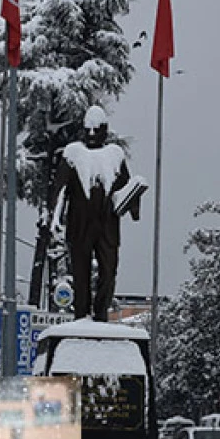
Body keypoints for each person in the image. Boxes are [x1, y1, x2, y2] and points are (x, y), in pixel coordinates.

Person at [51, 105, 145, 321]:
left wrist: (135, 203)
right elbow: (60, 190)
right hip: (79, 225)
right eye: (88, 130)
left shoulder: (115, 155)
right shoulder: (73, 153)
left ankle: (101, 313)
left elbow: (125, 188)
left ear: (105, 130)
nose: (92, 134)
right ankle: (81, 313)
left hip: (108, 226)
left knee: (109, 272)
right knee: (80, 274)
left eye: (97, 129)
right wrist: (55, 218)